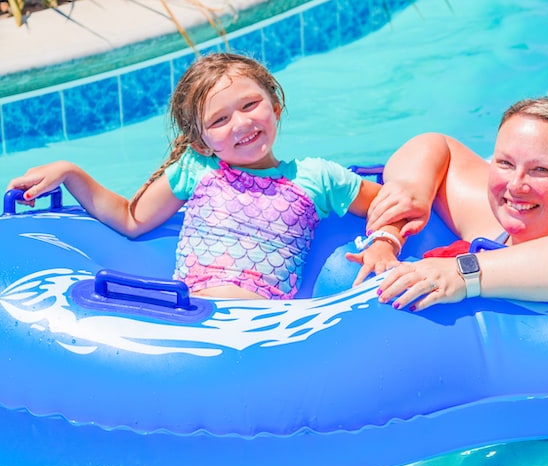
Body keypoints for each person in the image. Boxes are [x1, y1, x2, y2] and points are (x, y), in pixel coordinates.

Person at [6, 53, 401, 300]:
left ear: (275, 106)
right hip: (193, 313)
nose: (241, 123)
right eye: (220, 119)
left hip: (263, 324)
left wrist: (384, 243)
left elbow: (391, 205)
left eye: (250, 104)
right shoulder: (196, 170)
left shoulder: (317, 177)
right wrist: (71, 173)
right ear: (200, 141)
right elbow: (131, 218)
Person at [365, 97, 548, 311]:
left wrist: (461, 272)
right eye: (505, 163)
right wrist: (412, 190)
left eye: (541, 170)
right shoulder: (493, 221)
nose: (516, 186)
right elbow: (435, 145)